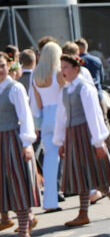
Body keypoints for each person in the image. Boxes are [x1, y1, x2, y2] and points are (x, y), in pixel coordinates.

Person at [53, 55, 110, 227]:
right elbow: (61, 117)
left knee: (92, 172)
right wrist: (60, 140)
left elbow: (94, 116)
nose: (63, 71)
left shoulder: (85, 89)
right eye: (61, 67)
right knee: (81, 174)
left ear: (76, 68)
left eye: (66, 67)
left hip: (86, 134)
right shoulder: (65, 90)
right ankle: (103, 203)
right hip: (73, 135)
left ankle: (104, 202)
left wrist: (99, 142)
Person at [0, 53, 39, 237]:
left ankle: (24, 232)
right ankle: (27, 220)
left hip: (13, 139)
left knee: (17, 183)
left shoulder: (15, 88)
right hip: (1, 140)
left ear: (8, 66)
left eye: (1, 65)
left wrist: (27, 143)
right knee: (5, 185)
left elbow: (25, 116)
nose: (0, 70)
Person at [30, 42, 64, 212]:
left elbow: (36, 105)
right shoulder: (58, 73)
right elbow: (66, 96)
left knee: (50, 161)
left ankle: (50, 202)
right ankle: (92, 191)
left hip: (45, 119)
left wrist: (36, 126)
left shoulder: (36, 76)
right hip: (61, 116)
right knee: (76, 153)